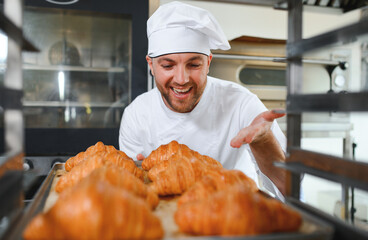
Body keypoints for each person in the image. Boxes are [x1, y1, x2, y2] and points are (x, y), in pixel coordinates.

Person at [119, 1, 287, 199]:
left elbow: (289, 190)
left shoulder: (242, 105)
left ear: (208, 62)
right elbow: (132, 194)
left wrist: (265, 143)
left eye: (194, 65)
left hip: (234, 218)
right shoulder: (137, 115)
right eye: (167, 66)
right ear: (151, 65)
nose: (181, 79)